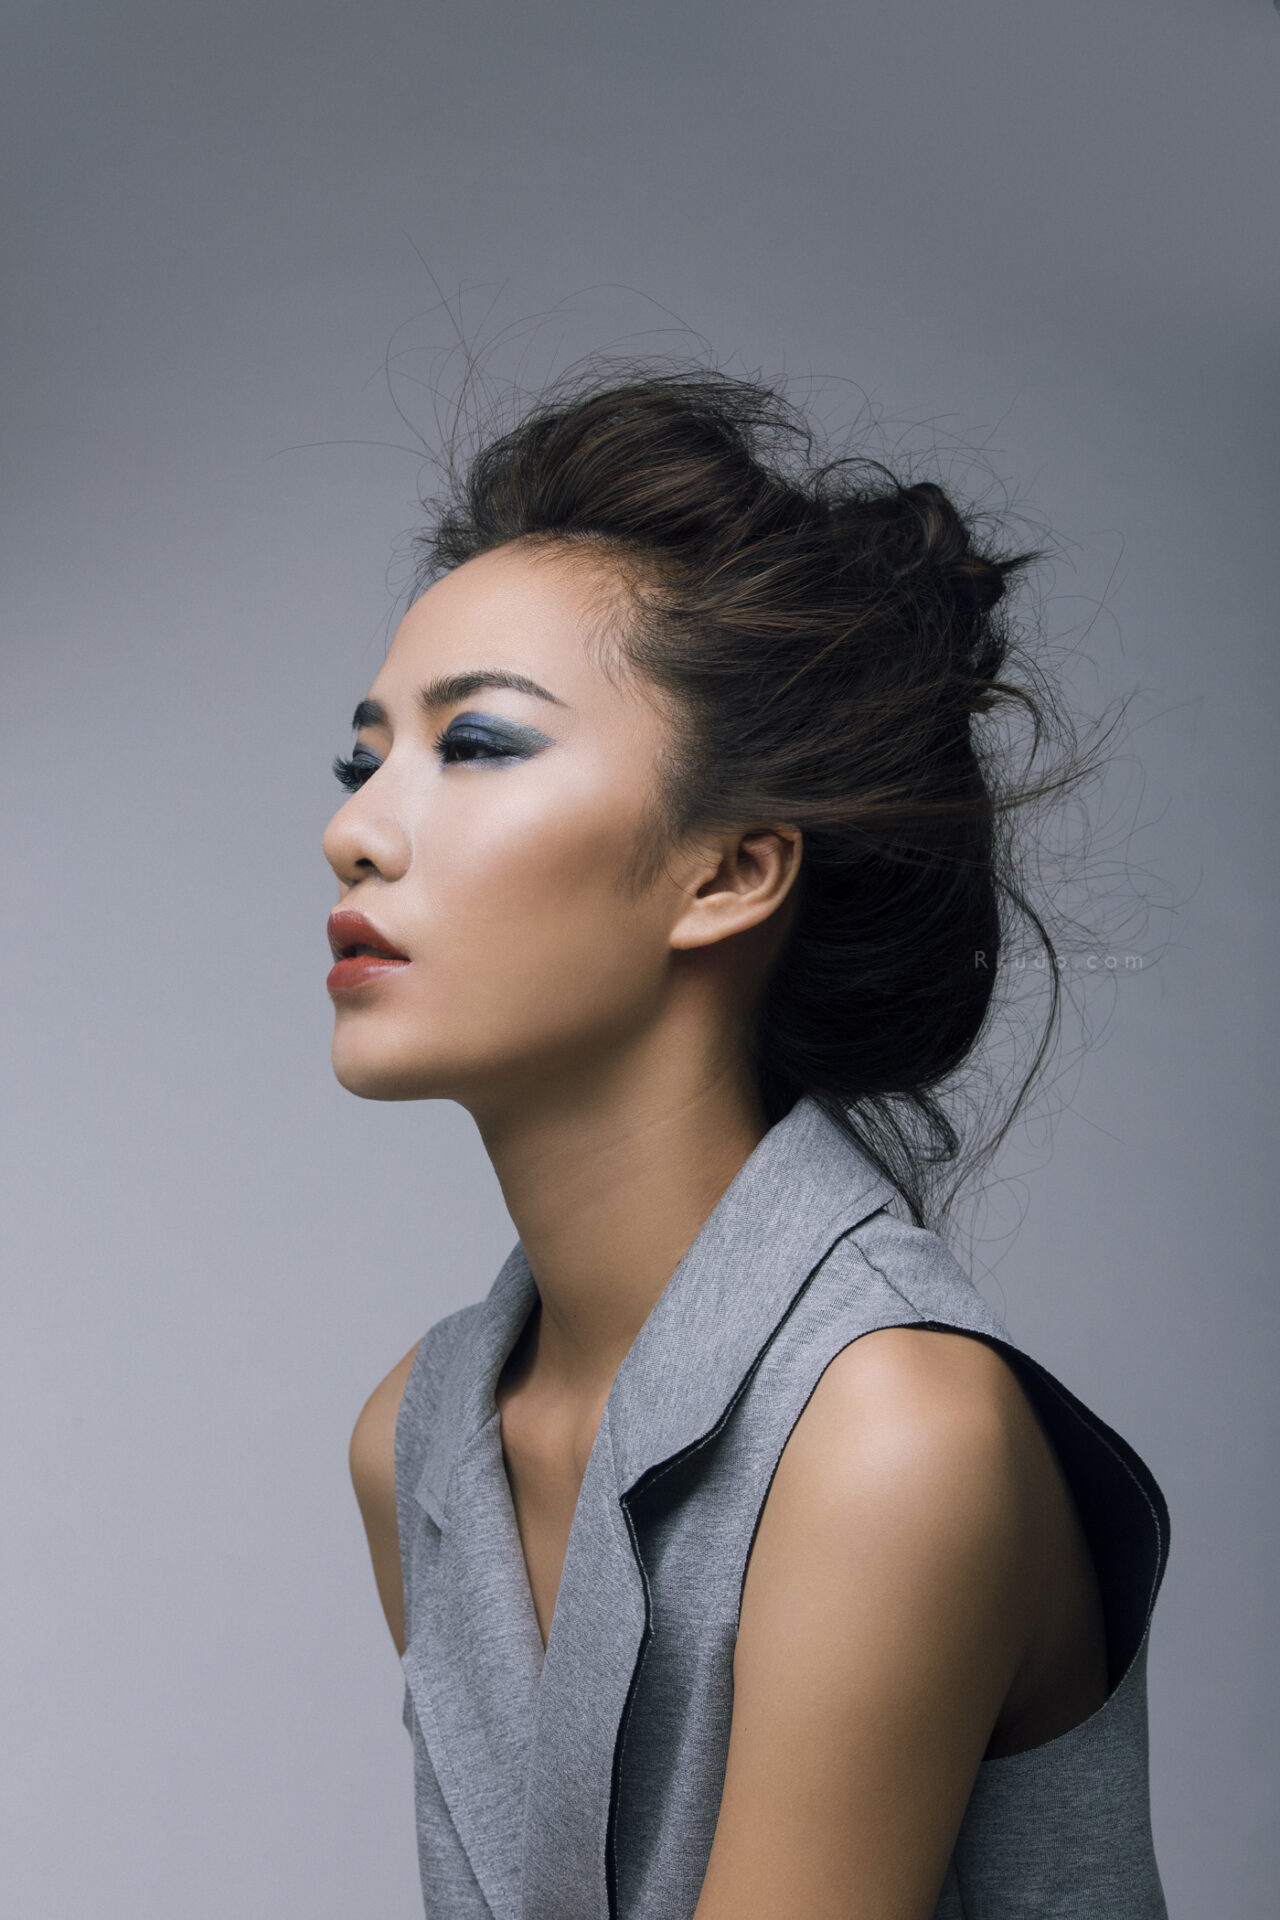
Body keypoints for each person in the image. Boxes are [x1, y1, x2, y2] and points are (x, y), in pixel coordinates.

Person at [323, 368, 1169, 1919]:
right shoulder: (423, 1441)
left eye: (480, 744)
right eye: (361, 758)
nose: (356, 827)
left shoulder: (890, 1431)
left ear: (727, 873)